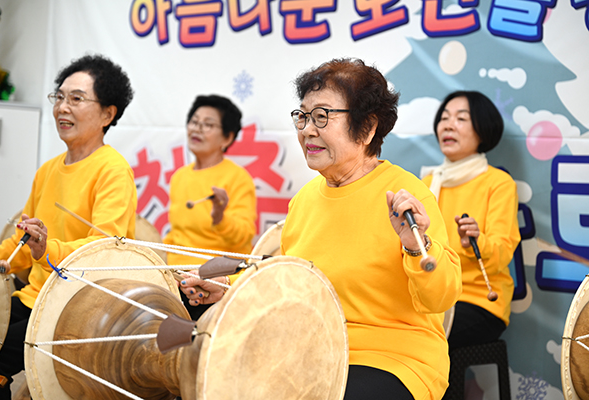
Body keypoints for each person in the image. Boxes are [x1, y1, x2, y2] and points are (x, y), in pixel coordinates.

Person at [280, 58, 461, 400]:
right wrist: (227, 287)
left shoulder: (406, 195)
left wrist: (415, 246)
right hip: (317, 354)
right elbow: (292, 287)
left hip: (394, 359)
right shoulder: (303, 201)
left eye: (322, 117)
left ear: (366, 130)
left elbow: (442, 296)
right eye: (303, 116)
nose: (307, 130)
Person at [0, 54, 137, 399]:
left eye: (76, 99)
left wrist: (46, 249)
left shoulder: (112, 171)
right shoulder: (48, 169)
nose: (62, 108)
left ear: (107, 114)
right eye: (59, 96)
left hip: (74, 306)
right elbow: (19, 246)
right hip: (32, 298)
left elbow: (102, 255)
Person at [421, 90, 520, 349]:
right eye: (444, 118)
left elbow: (502, 253)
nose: (449, 125)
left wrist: (476, 241)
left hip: (479, 301)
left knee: (425, 340)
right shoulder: (428, 183)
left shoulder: (498, 183)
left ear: (482, 130)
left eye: (461, 119)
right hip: (434, 297)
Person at [164, 94, 256, 320]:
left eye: (208, 125)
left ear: (227, 137)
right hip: (177, 281)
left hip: (214, 283)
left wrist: (219, 217)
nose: (197, 129)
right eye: (194, 122)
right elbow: (176, 234)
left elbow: (244, 236)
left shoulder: (238, 178)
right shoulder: (179, 177)